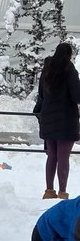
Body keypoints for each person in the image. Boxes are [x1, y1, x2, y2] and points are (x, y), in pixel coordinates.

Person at [33, 42, 80, 201]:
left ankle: (49, 191)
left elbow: (41, 93)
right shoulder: (69, 70)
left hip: (48, 118)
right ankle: (62, 192)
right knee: (63, 157)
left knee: (52, 155)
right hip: (66, 120)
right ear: (69, 55)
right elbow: (76, 96)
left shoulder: (47, 69)